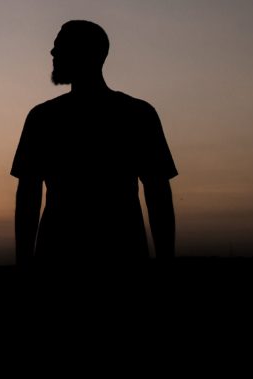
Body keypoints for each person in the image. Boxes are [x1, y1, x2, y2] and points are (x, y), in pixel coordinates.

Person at [12, 21, 177, 263]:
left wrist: (23, 263)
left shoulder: (45, 117)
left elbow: (158, 193)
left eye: (60, 46)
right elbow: (28, 194)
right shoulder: (138, 113)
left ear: (89, 53)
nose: (53, 53)